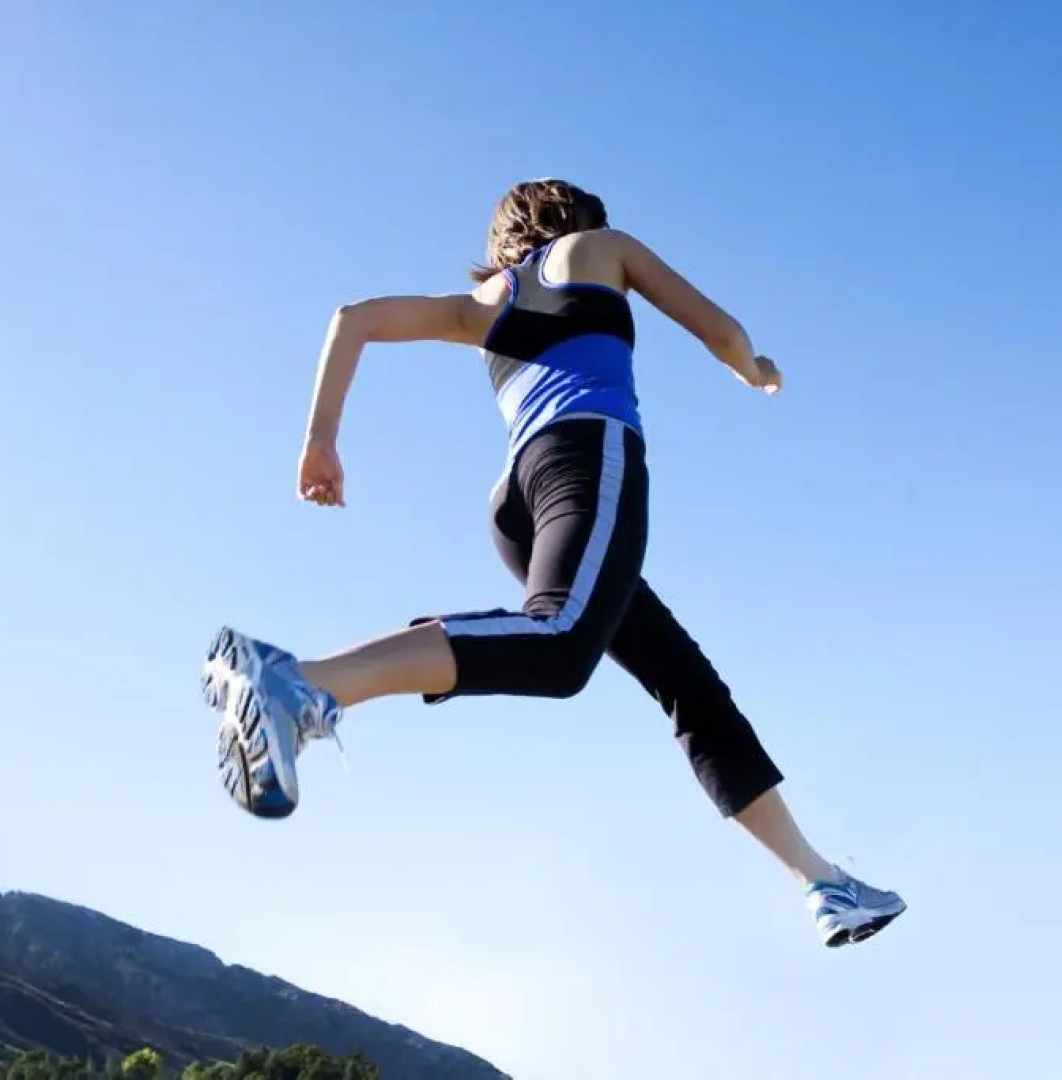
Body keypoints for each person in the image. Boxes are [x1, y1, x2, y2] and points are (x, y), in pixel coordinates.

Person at [200, 179, 906, 947]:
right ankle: (300, 681)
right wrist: (755, 369)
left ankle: (823, 883)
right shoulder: (597, 247)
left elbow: (353, 318)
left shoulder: (480, 305)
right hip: (584, 458)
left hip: (518, 502)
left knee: (685, 684)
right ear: (577, 217)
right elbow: (723, 331)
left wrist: (320, 441)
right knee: (562, 645)